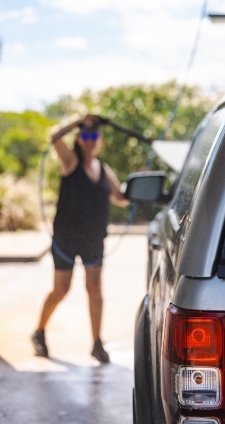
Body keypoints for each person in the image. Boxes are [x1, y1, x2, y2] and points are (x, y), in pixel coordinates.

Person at [32, 114, 129, 363]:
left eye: (93, 136)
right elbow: (54, 137)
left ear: (100, 140)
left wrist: (141, 183)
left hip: (93, 239)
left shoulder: (104, 169)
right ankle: (39, 331)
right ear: (78, 138)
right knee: (61, 289)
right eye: (85, 136)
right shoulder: (70, 161)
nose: (89, 140)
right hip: (66, 238)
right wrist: (78, 121)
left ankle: (97, 343)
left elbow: (121, 197)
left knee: (95, 290)